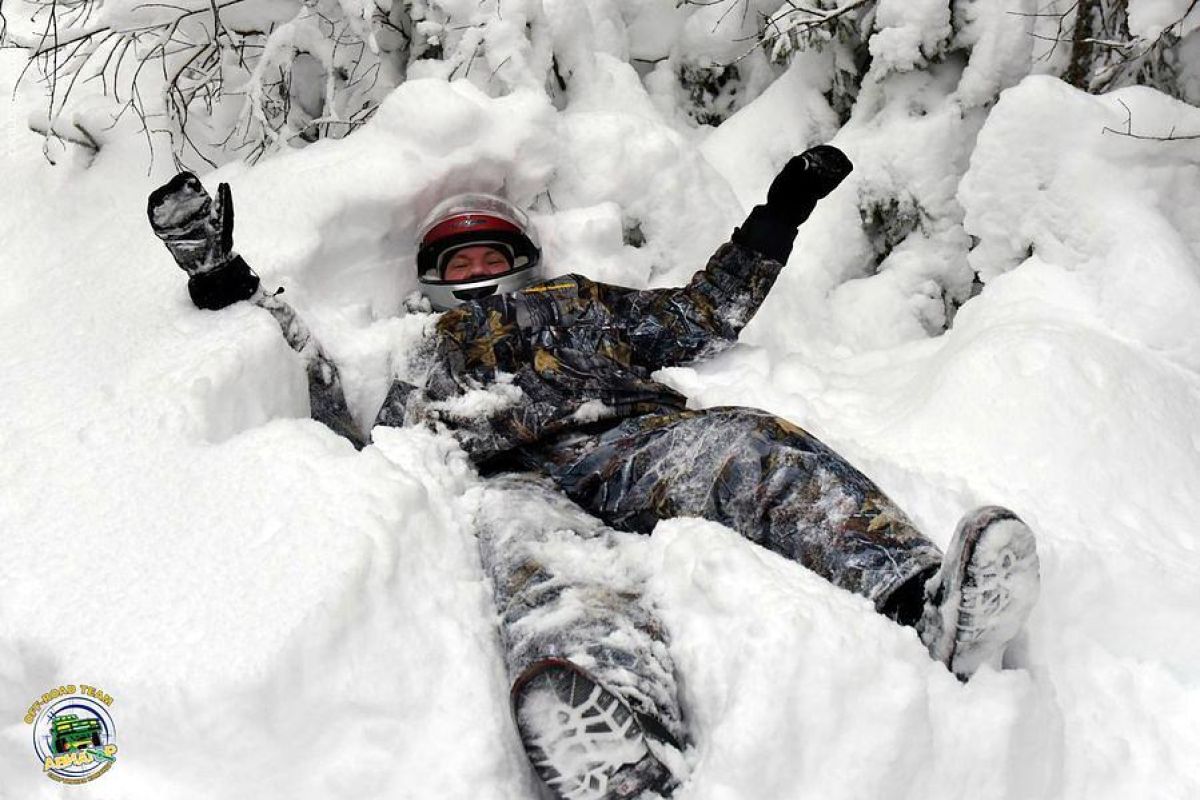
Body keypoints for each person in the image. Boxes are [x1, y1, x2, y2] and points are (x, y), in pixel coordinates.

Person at [147, 147, 1040, 800]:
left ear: (521, 256)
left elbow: (703, 312)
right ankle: (622, 746)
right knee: (546, 570)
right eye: (458, 261)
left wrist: (779, 215)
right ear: (433, 278)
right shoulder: (420, 350)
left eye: (489, 254)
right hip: (504, 477)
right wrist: (233, 284)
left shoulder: (582, 304)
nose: (477, 269)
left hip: (624, 440)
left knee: (746, 445)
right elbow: (338, 414)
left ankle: (920, 597)